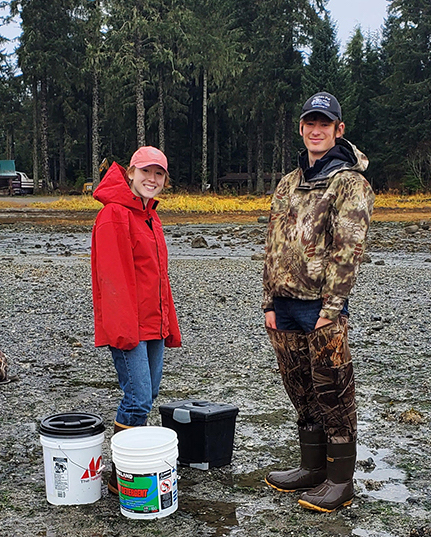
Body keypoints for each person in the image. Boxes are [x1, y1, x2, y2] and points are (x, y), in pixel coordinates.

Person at [263, 92, 375, 512]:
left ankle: (339, 482)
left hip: (320, 306)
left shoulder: (350, 183)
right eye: (310, 122)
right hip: (285, 305)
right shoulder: (288, 183)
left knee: (334, 394)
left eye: (324, 123)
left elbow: (349, 250)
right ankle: (312, 469)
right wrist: (269, 302)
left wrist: (332, 309)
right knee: (301, 391)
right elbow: (272, 245)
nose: (316, 129)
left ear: (338, 130)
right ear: (300, 127)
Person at [91, 146, 181, 495]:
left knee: (149, 393)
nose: (152, 179)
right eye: (146, 172)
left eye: (159, 174)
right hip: (129, 326)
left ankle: (131, 465)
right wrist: (123, 331)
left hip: (152, 323)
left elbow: (157, 276)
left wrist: (167, 323)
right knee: (138, 398)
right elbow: (112, 279)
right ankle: (122, 475)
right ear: (130, 172)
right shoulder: (115, 215)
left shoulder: (149, 216)